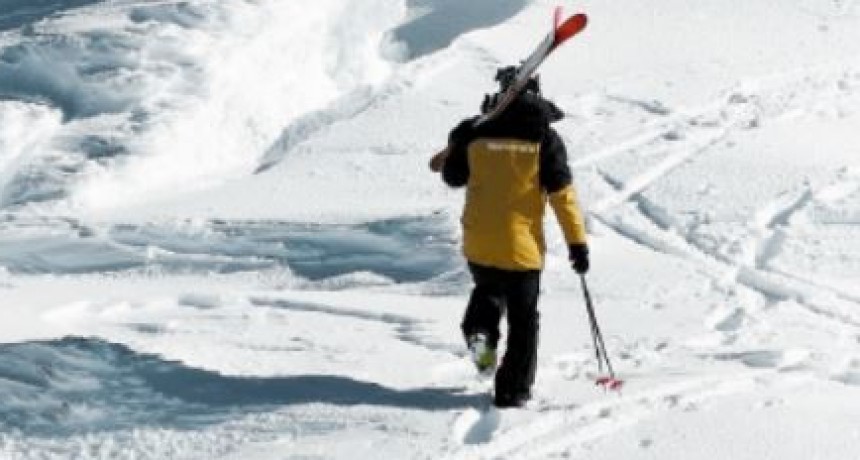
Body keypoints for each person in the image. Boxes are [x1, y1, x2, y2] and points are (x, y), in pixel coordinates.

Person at [433, 67, 590, 408]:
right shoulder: (544, 140)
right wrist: (577, 243)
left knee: (488, 292)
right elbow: (562, 196)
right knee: (523, 320)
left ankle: (482, 341)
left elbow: (452, 177)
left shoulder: (473, 131)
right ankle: (513, 389)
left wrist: (457, 143)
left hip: (480, 242)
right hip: (523, 247)